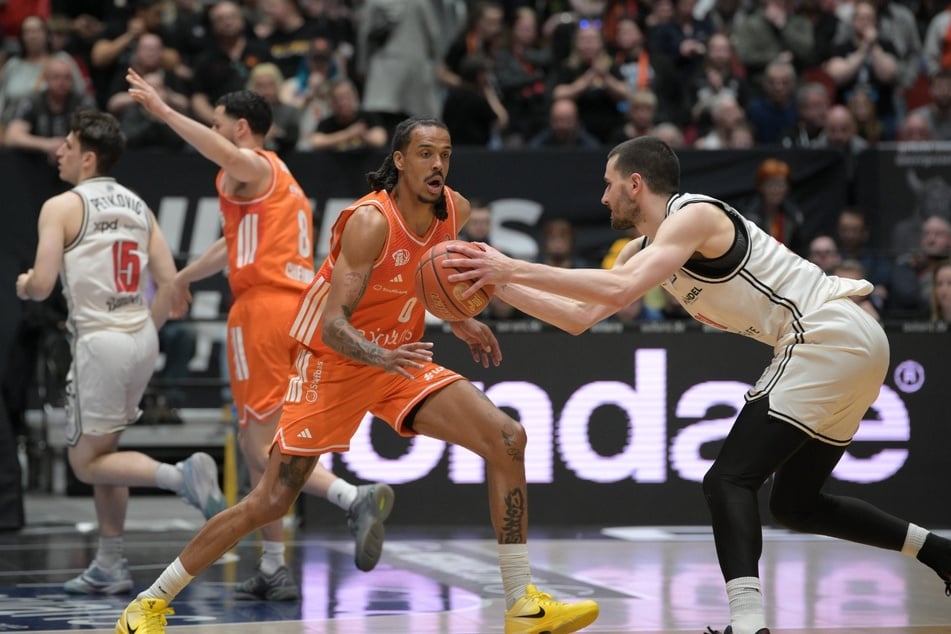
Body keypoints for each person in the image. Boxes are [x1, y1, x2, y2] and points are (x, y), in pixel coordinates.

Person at [114, 115, 600, 634]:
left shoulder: (453, 209)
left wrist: (459, 320)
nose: (438, 164)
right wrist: (378, 355)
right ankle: (151, 601)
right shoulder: (371, 221)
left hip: (400, 358)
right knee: (271, 500)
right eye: (426, 154)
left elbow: (425, 279)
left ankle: (522, 602)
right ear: (399, 160)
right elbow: (332, 324)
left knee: (507, 438)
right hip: (334, 361)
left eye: (446, 154)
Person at [446, 135, 951, 634]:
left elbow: (619, 289)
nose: (602, 197)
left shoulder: (696, 215)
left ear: (636, 184)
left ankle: (748, 624)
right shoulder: (640, 251)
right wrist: (498, 285)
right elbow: (580, 316)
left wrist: (510, 264)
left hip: (824, 332)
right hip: (854, 344)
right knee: (796, 504)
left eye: (609, 184)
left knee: (727, 480)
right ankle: (941, 552)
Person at [124, 69, 395, 602]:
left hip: (263, 312)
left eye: (218, 124)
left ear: (242, 128)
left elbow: (229, 158)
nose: (213, 130)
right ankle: (274, 567)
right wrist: (180, 276)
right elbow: (232, 245)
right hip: (295, 311)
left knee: (260, 443)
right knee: (260, 451)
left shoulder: (253, 163)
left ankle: (351, 497)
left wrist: (164, 111)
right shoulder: (278, 183)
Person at [15, 109, 227, 594]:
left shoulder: (61, 205)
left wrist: (25, 284)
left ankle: (181, 476)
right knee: (105, 450)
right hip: (139, 338)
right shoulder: (138, 206)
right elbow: (170, 286)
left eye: (68, 144)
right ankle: (110, 563)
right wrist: (142, 335)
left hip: (100, 341)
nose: (60, 151)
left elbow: (44, 282)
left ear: (88, 158)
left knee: (86, 464)